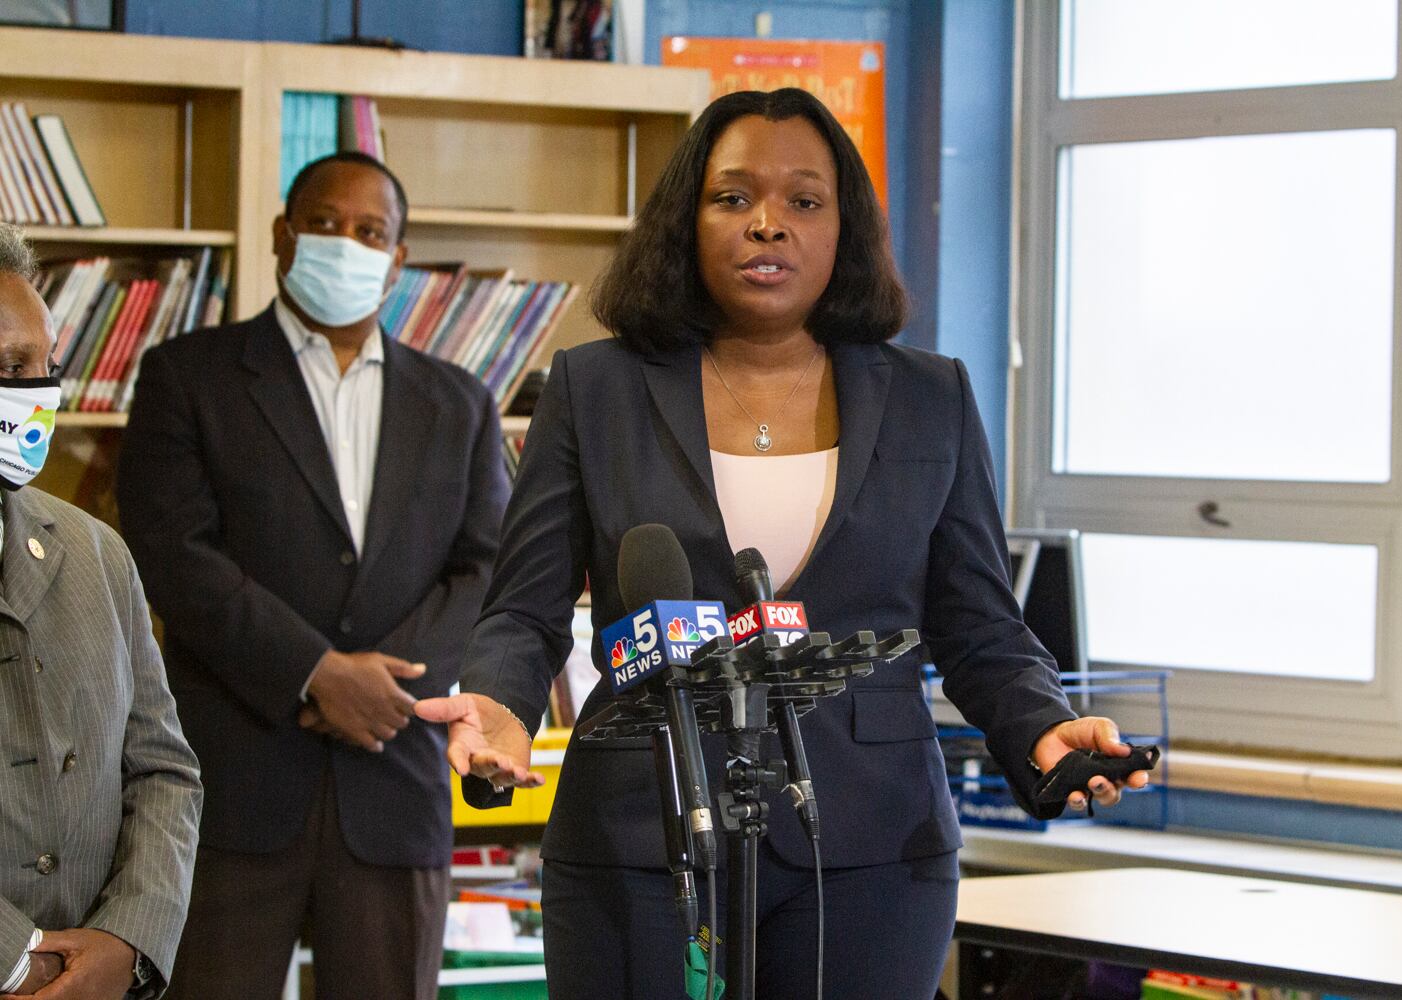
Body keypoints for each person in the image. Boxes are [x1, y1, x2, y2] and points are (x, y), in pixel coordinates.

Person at [415, 89, 1149, 999]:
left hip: (874, 848)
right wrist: (496, 704)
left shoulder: (934, 397)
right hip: (639, 835)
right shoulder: (593, 390)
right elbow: (523, 608)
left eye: (804, 201)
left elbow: (980, 626)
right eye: (732, 198)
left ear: (845, 228)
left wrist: (1043, 727)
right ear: (688, 221)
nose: (768, 225)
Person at [115, 152, 509, 1000]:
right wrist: (317, 674)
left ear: (399, 260)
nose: (347, 243)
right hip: (231, 788)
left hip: (395, 782)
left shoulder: (461, 402)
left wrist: (384, 687)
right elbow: (171, 554)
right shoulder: (188, 376)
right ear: (282, 235)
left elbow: (487, 568)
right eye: (326, 224)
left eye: (372, 232)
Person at [0, 223, 201, 1000]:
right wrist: (23, 961)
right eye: (11, 367)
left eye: (46, 369)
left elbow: (163, 770)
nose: (37, 394)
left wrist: (129, 938)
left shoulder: (95, 552)